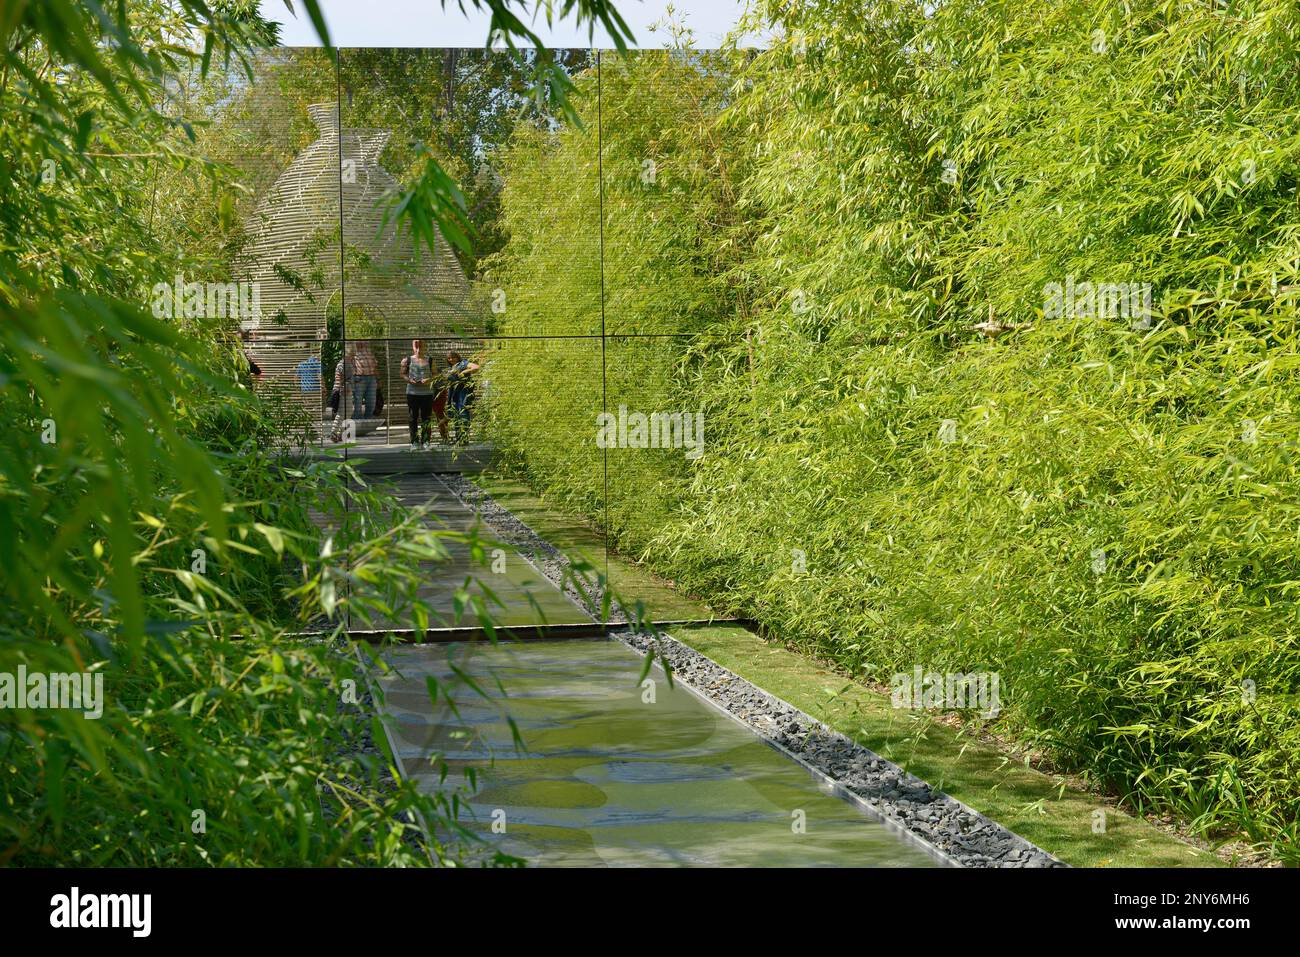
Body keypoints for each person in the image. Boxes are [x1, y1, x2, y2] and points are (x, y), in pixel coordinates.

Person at [400, 339, 435, 450]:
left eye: (421, 346)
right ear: (413, 347)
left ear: (425, 346)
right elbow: (402, 374)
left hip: (427, 393)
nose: (419, 349)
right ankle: (414, 442)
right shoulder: (407, 360)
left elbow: (436, 374)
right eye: (416, 346)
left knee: (426, 418)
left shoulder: (430, 360)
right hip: (412, 392)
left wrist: (429, 380)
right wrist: (409, 380)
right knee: (412, 417)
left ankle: (426, 441)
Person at [447, 350, 479, 445]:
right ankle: (459, 438)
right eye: (449, 358)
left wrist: (465, 371)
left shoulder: (463, 363)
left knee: (463, 413)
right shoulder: (450, 368)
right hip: (453, 394)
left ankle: (464, 438)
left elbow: (476, 367)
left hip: (463, 392)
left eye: (453, 357)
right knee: (456, 415)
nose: (451, 359)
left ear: (458, 357)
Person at [352, 341, 378, 418]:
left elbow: (375, 366)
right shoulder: (352, 352)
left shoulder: (369, 352)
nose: (362, 342)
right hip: (359, 378)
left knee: (371, 401)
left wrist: (377, 379)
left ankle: (368, 419)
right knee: (358, 402)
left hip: (371, 378)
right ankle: (357, 421)